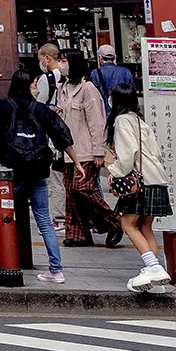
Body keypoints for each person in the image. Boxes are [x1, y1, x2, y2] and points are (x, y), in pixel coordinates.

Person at [0, 71, 71, 284]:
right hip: (38, 171)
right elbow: (62, 135)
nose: (37, 87)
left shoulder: (1, 107)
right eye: (35, 83)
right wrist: (77, 162)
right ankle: (56, 269)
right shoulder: (41, 110)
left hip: (10, 172)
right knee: (44, 219)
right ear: (27, 86)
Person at [102, 79, 171, 293]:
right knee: (145, 226)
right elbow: (156, 152)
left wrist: (114, 171)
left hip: (138, 182)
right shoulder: (140, 121)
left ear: (116, 100)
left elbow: (127, 154)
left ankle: (154, 268)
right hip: (155, 178)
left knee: (127, 224)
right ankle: (156, 278)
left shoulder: (121, 121)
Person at [55, 50, 120, 247]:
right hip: (68, 149)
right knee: (72, 193)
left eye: (64, 60)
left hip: (86, 149)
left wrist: (99, 151)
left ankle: (113, 222)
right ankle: (78, 234)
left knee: (83, 189)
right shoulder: (64, 87)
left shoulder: (88, 89)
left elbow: (97, 122)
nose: (61, 64)